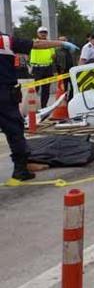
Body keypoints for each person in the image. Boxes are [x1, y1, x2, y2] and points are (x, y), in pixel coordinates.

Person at [1, 32, 78, 181]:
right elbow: (37, 44)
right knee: (14, 130)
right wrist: (60, 43)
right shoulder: (5, 40)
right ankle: (20, 169)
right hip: (4, 94)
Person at [30, 27, 57, 108]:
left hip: (47, 68)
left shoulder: (49, 44)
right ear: (37, 33)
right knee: (34, 89)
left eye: (45, 32)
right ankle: (32, 107)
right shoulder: (34, 42)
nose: (43, 34)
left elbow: (53, 56)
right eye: (41, 32)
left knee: (46, 89)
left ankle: (43, 107)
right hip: (36, 68)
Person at [55, 36, 76, 100]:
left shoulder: (71, 50)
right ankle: (64, 101)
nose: (63, 42)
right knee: (64, 88)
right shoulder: (57, 51)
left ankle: (70, 99)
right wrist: (58, 72)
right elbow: (55, 63)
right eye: (61, 40)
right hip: (62, 72)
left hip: (72, 71)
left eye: (64, 40)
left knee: (74, 87)